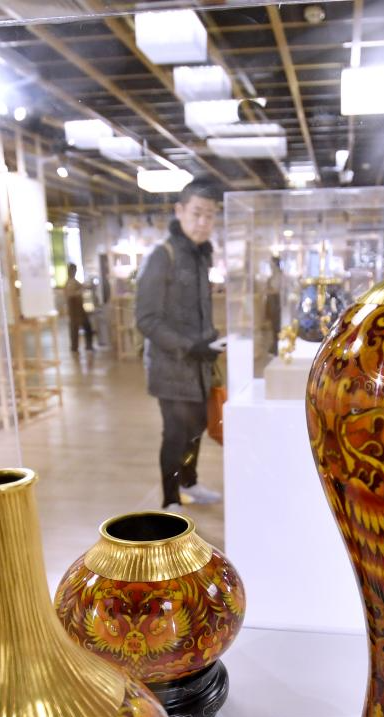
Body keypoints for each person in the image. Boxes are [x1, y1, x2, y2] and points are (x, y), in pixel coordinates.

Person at [136, 177, 226, 511]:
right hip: (170, 366)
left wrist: (211, 339)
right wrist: (190, 346)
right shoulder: (163, 255)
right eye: (197, 213)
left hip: (199, 365)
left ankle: (190, 482)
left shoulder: (201, 256)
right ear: (180, 211)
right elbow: (146, 319)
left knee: (196, 428)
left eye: (210, 215)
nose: (203, 222)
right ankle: (170, 499)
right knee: (175, 433)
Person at [64, 261, 93, 352]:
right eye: (74, 270)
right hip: (75, 309)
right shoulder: (70, 282)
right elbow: (71, 294)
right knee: (80, 327)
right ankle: (77, 347)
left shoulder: (72, 281)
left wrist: (85, 287)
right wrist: (81, 290)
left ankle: (77, 347)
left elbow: (81, 287)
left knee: (78, 328)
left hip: (77, 309)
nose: (75, 272)